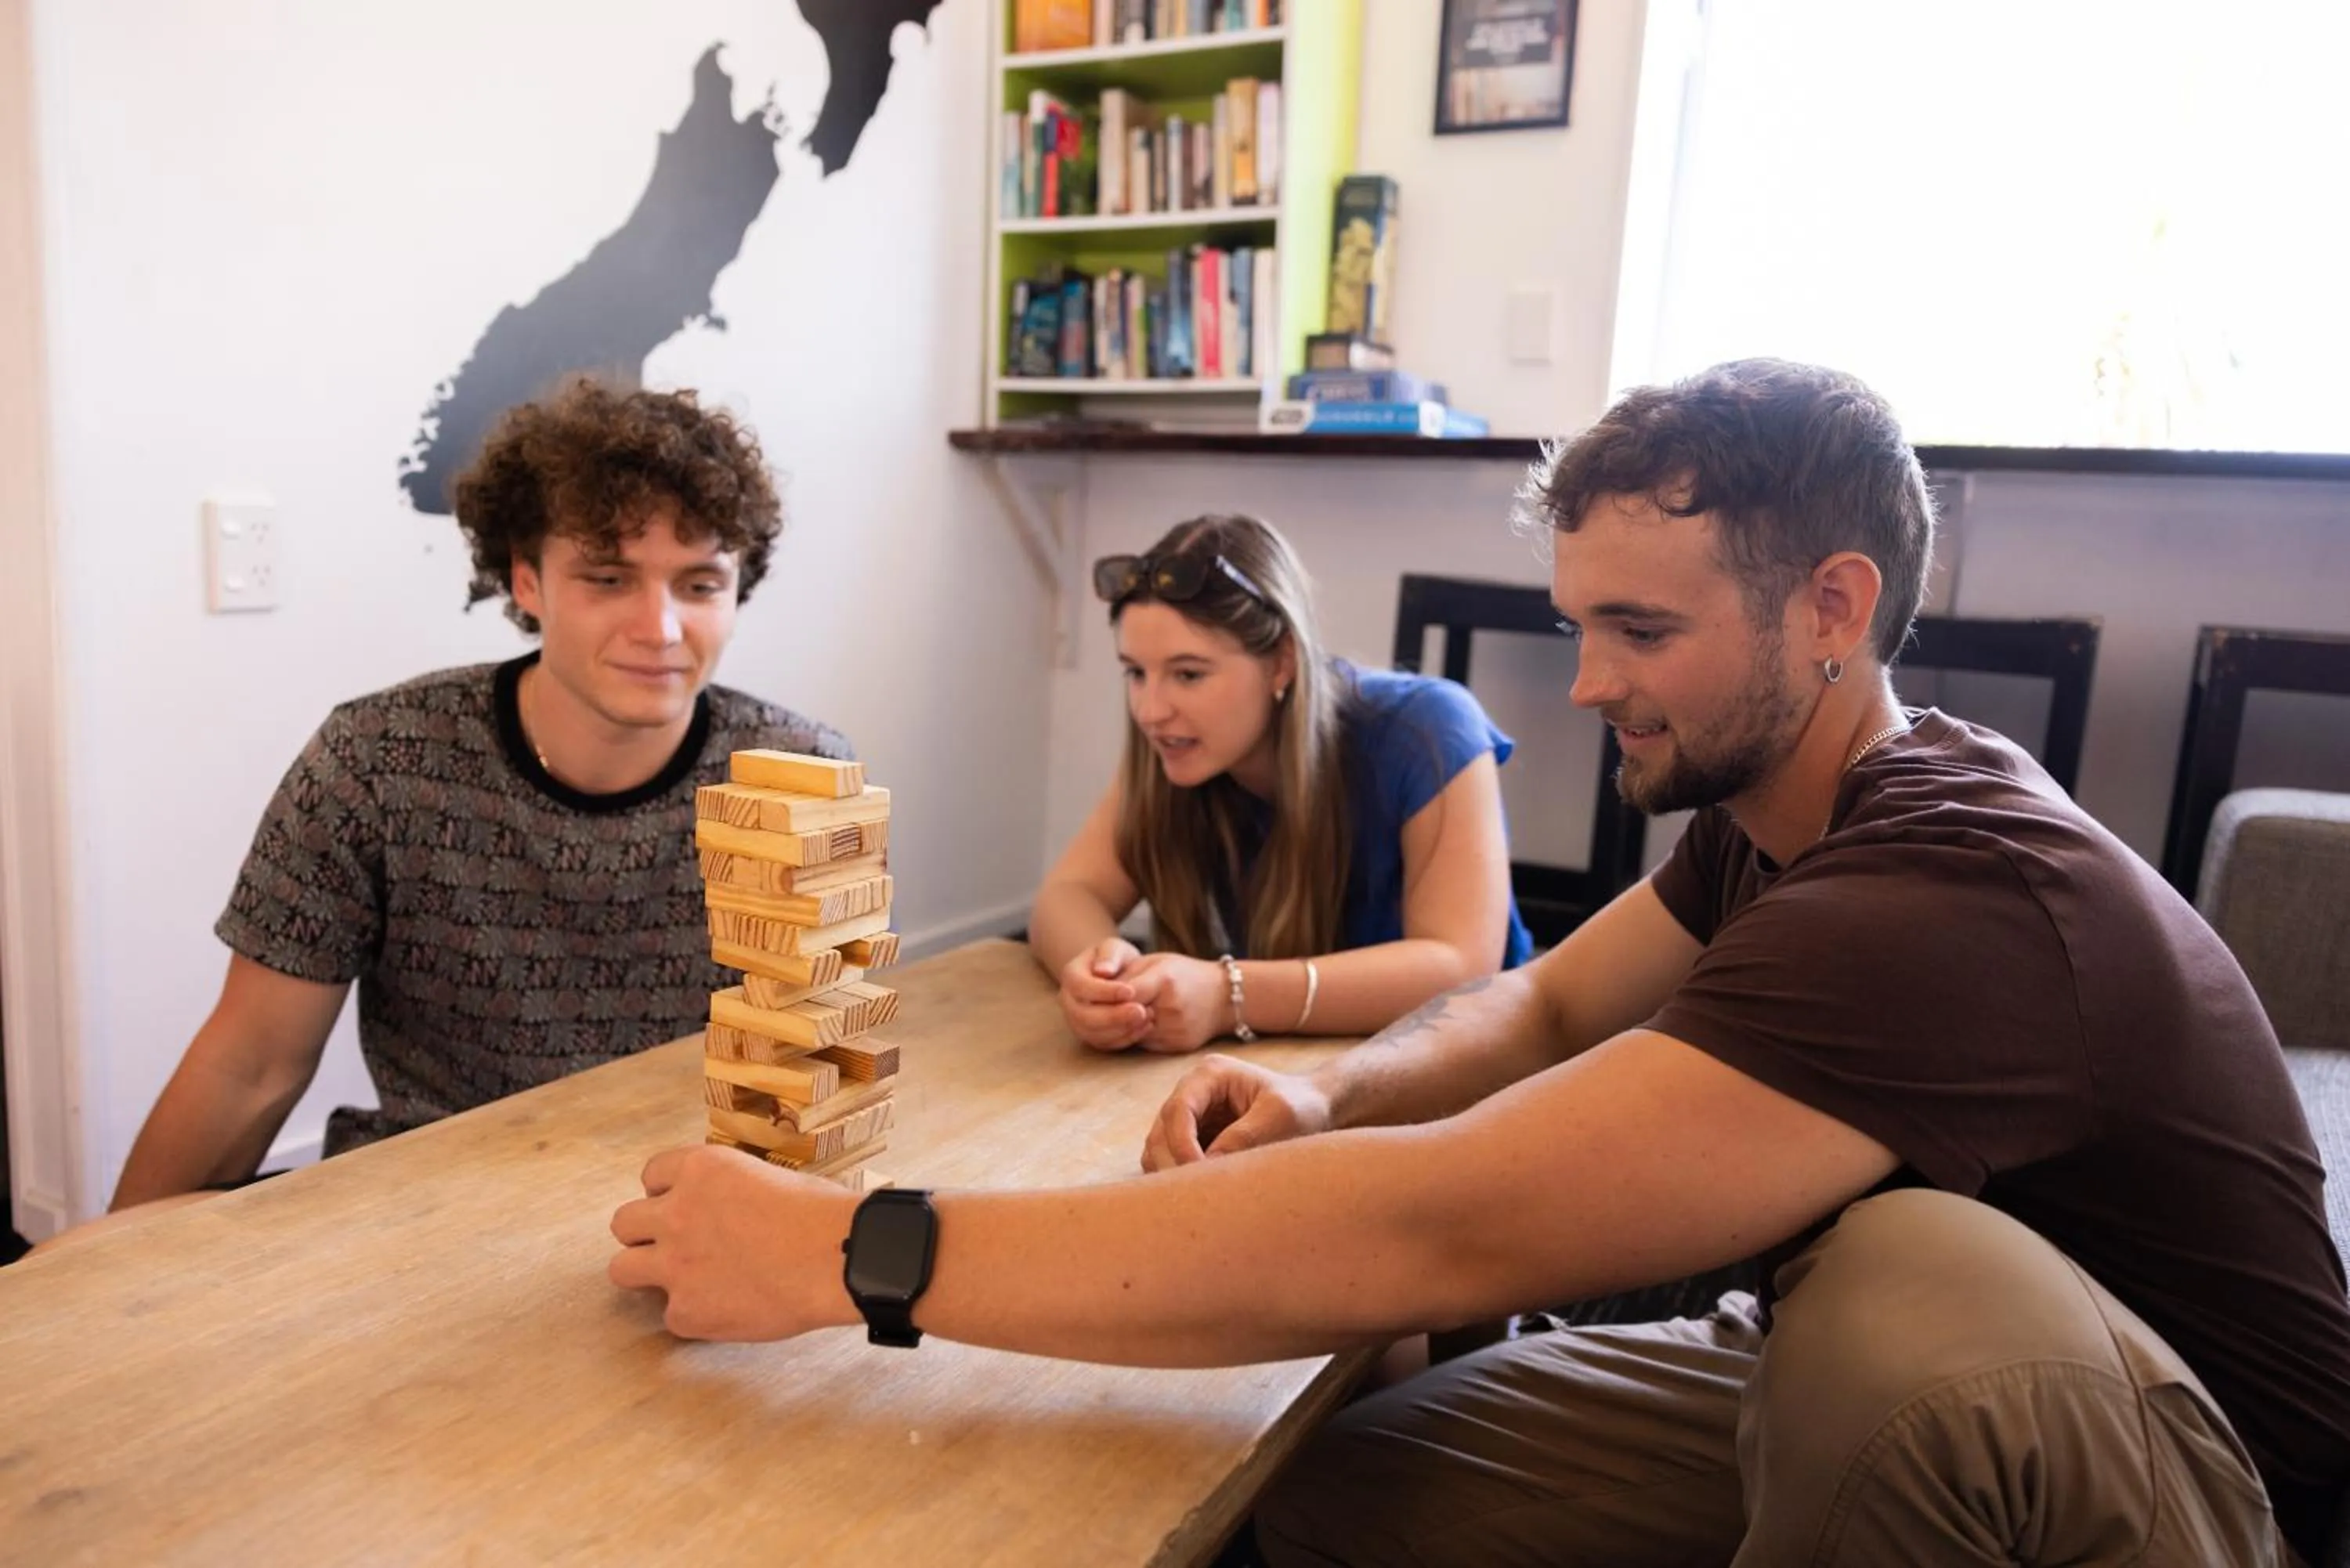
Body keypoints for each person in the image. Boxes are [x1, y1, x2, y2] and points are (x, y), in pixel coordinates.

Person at [609, 360, 2350, 1566]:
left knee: (1912, 1277)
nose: (1585, 685)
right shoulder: (1781, 817)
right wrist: (1327, 1096)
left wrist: (855, 1253)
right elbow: (1544, 996)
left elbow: (1441, 1223)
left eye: (1641, 630)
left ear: (1833, 606)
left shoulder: (1947, 885)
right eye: (1582, 624)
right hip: (1822, 1368)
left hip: (2200, 1489)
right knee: (1334, 1491)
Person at [107, 378, 849, 1212]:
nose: (661, 629)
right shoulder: (377, 763)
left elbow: (814, 1079)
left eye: (700, 585)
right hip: (423, 1200)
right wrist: (113, 1269)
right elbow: (252, 1064)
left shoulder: (799, 778)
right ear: (527, 581)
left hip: (685, 1206)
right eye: (608, 578)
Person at [1028, 511, 1533, 1053]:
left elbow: (1460, 967)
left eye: (1188, 674)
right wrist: (1106, 978)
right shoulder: (1178, 748)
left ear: (1282, 662)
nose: (1150, 711)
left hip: (1471, 1063)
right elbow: (1068, 894)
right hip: (1289, 1062)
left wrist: (1228, 997)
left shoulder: (1432, 728)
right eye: (1136, 672)